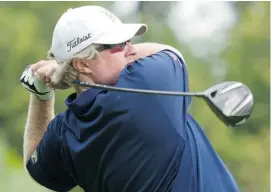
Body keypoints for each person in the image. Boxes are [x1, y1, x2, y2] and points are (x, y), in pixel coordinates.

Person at [20, 5, 240, 192]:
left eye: (128, 41)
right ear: (83, 64)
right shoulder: (150, 83)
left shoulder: (64, 135)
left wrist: (41, 92)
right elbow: (167, 51)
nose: (131, 49)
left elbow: (34, 162)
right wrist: (62, 69)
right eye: (118, 45)